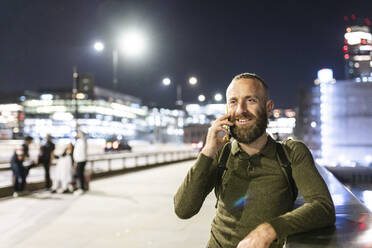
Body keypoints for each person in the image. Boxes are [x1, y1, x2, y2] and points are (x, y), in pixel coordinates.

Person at [174, 73, 335, 248]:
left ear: (268, 107)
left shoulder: (291, 153)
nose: (240, 110)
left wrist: (270, 229)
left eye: (250, 100)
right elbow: (183, 209)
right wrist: (208, 151)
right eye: (233, 102)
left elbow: (323, 207)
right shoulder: (221, 154)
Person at [73, 129, 88, 195]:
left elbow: (81, 134)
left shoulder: (83, 141)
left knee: (80, 174)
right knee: (79, 174)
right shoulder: (78, 141)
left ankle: (81, 188)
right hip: (78, 160)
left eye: (78, 133)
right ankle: (81, 187)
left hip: (81, 160)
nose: (77, 135)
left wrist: (78, 127)